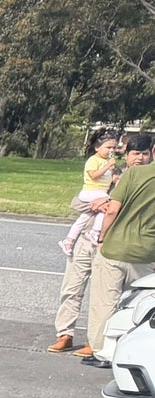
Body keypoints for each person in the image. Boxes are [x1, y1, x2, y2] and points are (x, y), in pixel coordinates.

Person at [86, 132, 155, 366]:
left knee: (105, 301)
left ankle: (103, 352)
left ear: (153, 152)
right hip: (147, 251)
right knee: (139, 304)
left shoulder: (134, 174)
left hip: (116, 247)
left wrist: (102, 236)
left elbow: (113, 209)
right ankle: (135, 352)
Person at [51, 128, 120, 353]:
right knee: (72, 288)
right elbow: (78, 202)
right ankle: (64, 333)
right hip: (84, 239)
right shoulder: (96, 166)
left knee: (101, 296)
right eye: (109, 147)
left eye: (115, 148)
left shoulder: (123, 177)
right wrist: (97, 203)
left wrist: (107, 202)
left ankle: (95, 340)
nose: (112, 152)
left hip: (106, 242)